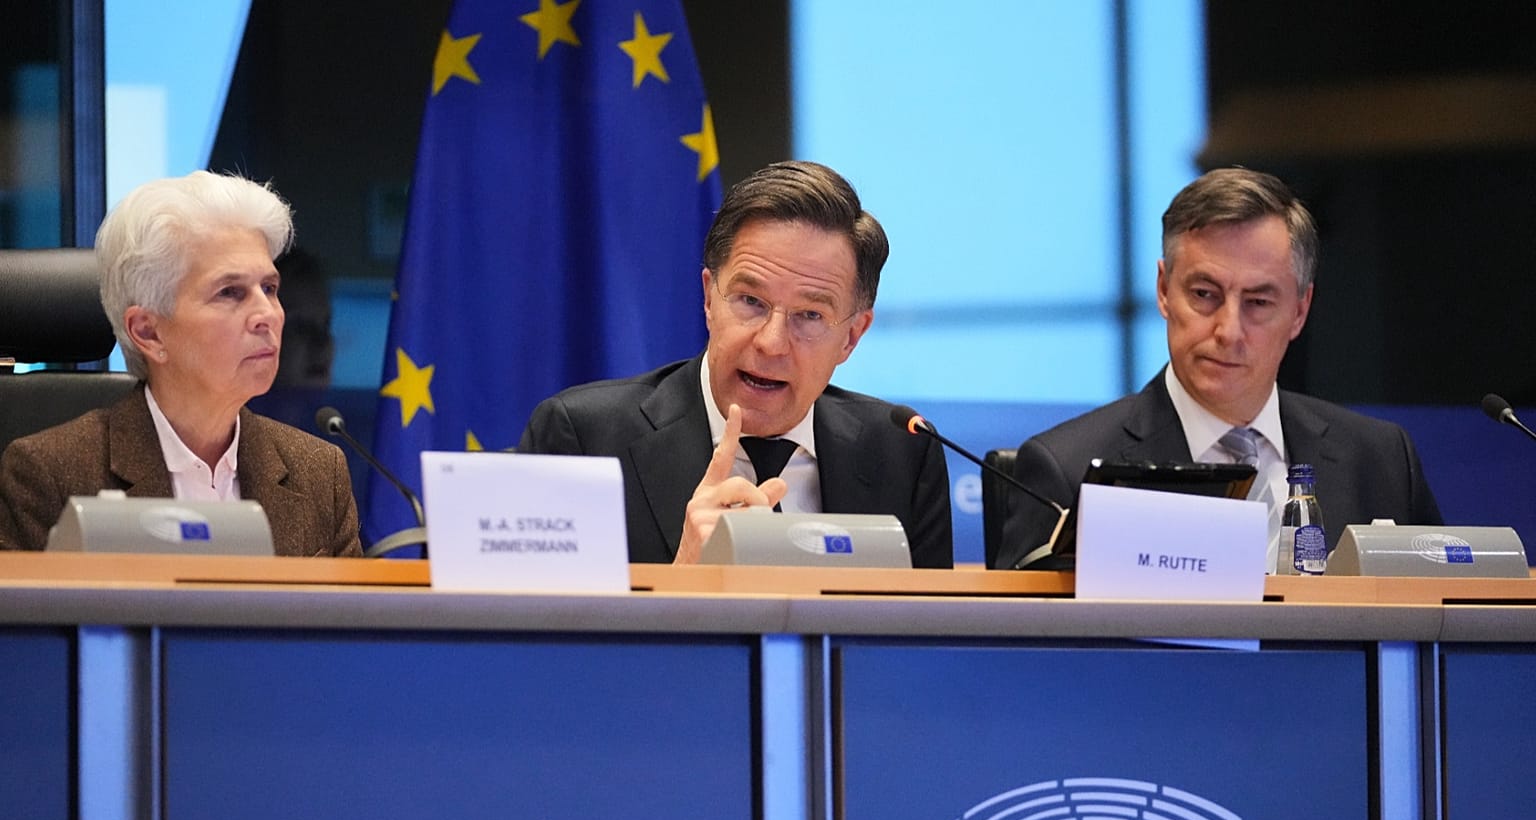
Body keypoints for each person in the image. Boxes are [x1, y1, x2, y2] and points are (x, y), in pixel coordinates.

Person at [994, 167, 1440, 570]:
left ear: (1300, 311)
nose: (1229, 330)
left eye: (1259, 302)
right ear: (1164, 290)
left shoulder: (1380, 461)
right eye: (1205, 294)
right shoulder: (1066, 471)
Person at [520, 160, 953, 567]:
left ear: (852, 336)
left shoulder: (903, 453)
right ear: (709, 298)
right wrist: (684, 580)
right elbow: (539, 642)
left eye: (810, 315)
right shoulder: (585, 439)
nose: (771, 342)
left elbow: (926, 643)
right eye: (750, 301)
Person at [0, 171, 362, 556]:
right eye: (230, 292)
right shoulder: (48, 475)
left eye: (269, 289)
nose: (267, 314)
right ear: (149, 333)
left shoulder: (320, 475)